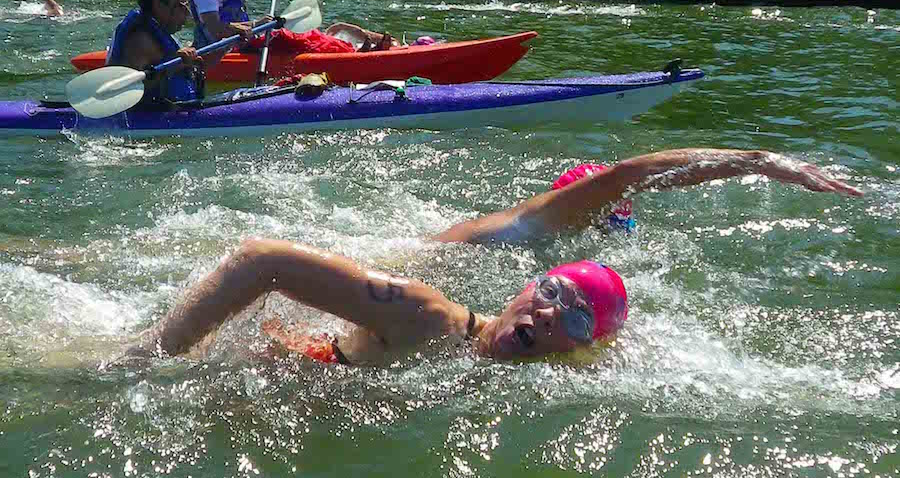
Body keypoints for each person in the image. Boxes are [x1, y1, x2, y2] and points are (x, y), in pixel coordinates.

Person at [133, 148, 861, 363]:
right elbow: (630, 174)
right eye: (553, 295)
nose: (554, 313)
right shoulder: (542, 227)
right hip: (383, 273)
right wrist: (759, 161)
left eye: (576, 319)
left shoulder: (534, 334)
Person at [105, 0, 203, 104]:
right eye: (182, 6)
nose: (187, 14)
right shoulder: (140, 41)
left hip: (173, 110)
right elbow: (124, 92)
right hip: (147, 118)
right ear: (159, 6)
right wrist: (173, 66)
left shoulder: (158, 32)